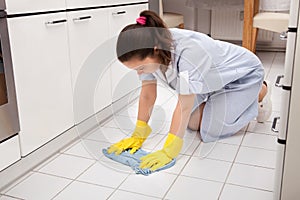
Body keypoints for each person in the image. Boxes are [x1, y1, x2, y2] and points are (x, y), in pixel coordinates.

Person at [107, 10, 272, 171]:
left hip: (242, 75)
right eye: (136, 69)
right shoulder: (148, 49)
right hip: (210, 80)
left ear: (156, 50)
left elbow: (184, 105)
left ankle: (259, 92)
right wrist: (139, 133)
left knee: (210, 129)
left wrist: (169, 150)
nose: (139, 72)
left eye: (141, 67)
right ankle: (226, 100)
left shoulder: (188, 52)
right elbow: (148, 95)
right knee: (192, 124)